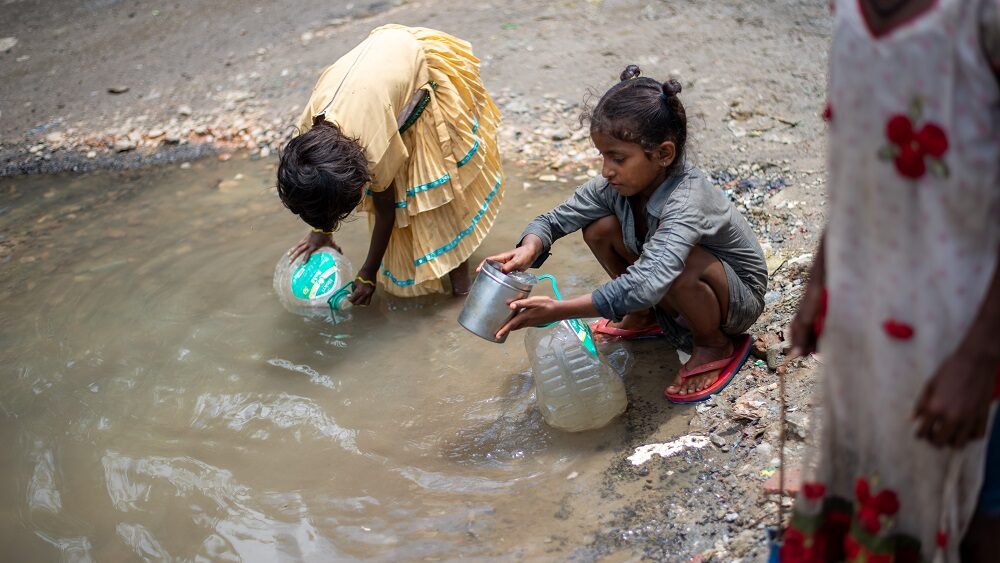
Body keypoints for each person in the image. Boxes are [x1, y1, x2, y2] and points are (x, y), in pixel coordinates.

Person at [781, 1, 1000, 561]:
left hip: (974, 327)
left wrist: (979, 358)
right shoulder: (850, 11)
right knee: (875, 480)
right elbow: (859, 164)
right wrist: (820, 280)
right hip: (874, 310)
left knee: (975, 518)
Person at [487, 65, 767, 404]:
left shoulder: (688, 200)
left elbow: (652, 277)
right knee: (599, 228)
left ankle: (712, 345)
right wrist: (529, 248)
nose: (607, 170)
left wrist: (560, 309)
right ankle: (644, 315)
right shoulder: (615, 187)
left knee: (678, 262)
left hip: (736, 301)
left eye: (618, 158)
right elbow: (553, 219)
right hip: (669, 283)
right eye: (603, 156)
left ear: (664, 154)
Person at [276, 25, 503, 304]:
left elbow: (387, 210)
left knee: (437, 197)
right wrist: (320, 231)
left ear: (361, 175)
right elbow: (317, 185)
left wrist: (368, 273)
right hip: (382, 59)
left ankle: (461, 292)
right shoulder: (305, 137)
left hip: (420, 67)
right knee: (412, 192)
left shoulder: (373, 149)